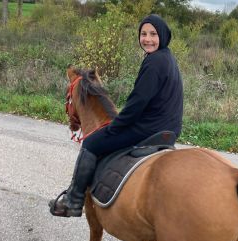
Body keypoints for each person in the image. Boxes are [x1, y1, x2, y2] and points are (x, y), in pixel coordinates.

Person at [49, 14, 183, 217]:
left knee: (91, 143)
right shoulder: (167, 58)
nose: (147, 39)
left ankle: (73, 200)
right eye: (143, 34)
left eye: (153, 34)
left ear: (163, 36)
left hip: (149, 126)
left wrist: (117, 125)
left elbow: (138, 102)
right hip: (169, 128)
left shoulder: (154, 62)